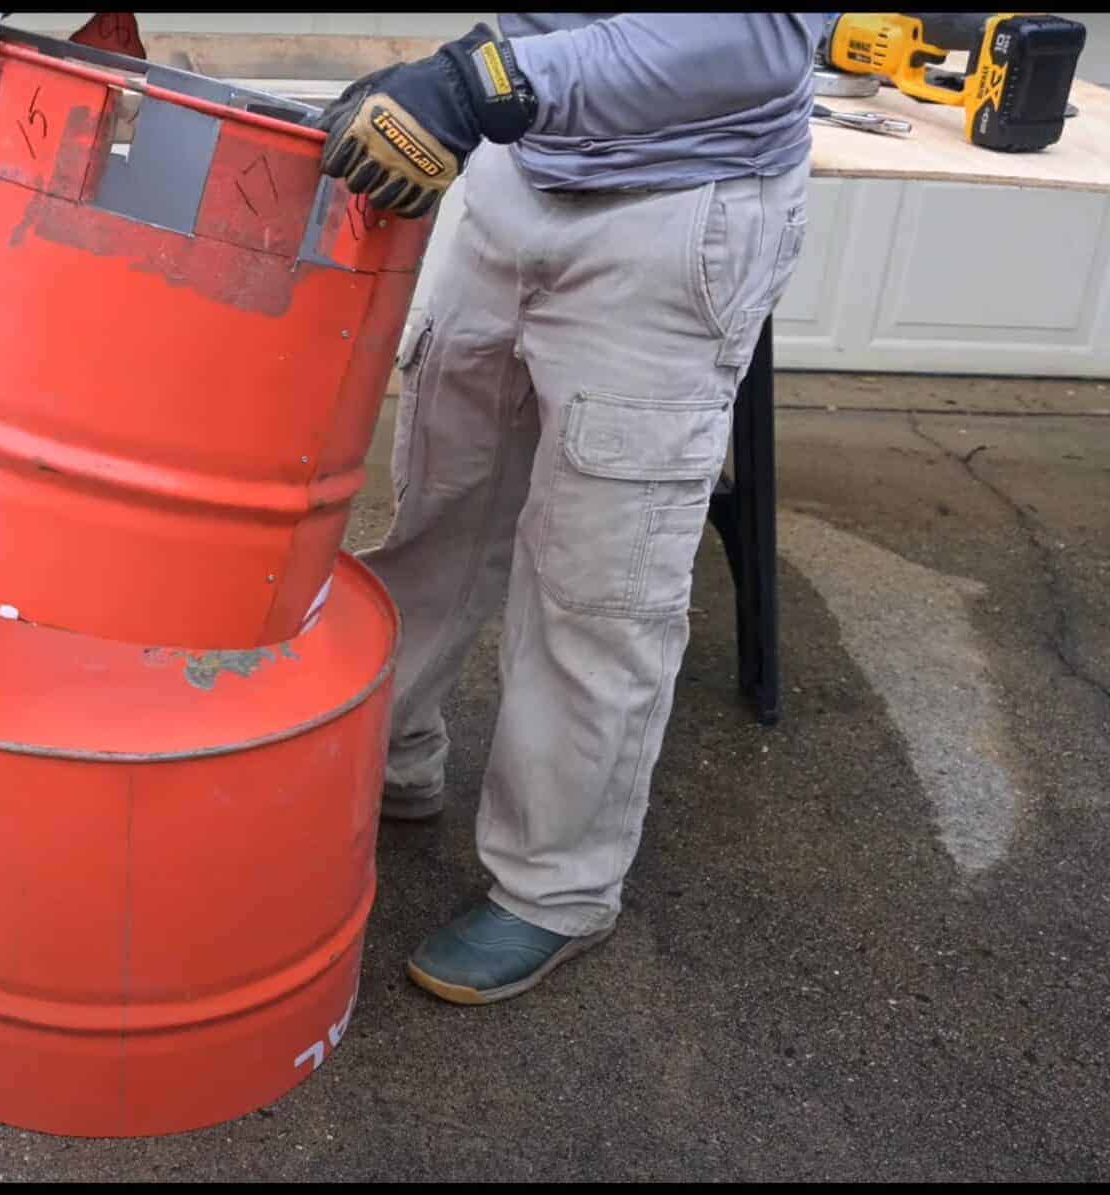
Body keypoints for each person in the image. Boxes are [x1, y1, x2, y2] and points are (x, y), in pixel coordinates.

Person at [314, 14, 828, 1004]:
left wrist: (479, 82)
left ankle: (555, 887)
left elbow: (758, 41)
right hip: (520, 171)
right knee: (438, 511)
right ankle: (391, 757)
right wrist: (477, 59)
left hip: (676, 207)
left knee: (595, 578)